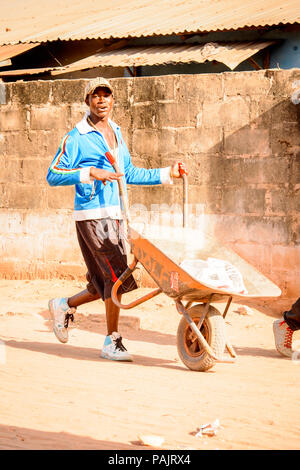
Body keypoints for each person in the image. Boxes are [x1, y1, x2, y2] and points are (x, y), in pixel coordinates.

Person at [46, 76, 186, 362]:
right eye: (95, 95)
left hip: (117, 216)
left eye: (106, 95)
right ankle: (112, 340)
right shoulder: (77, 137)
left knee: (105, 282)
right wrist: (89, 173)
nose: (101, 100)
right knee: (116, 278)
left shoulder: (117, 133)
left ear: (112, 100)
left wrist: (165, 173)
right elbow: (52, 174)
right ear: (87, 101)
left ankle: (64, 305)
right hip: (92, 217)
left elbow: (129, 173)